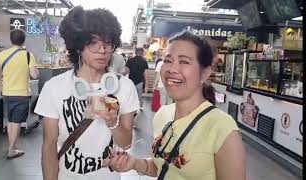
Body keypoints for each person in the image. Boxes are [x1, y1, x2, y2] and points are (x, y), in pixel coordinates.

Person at [104, 31, 246, 180]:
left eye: (184, 62)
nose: (172, 69)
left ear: (204, 74)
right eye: (168, 60)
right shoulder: (163, 114)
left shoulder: (223, 129)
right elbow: (162, 167)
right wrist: (133, 162)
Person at [34, 6, 140, 180]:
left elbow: (126, 143)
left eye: (108, 43)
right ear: (78, 46)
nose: (103, 50)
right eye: (93, 43)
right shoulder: (54, 87)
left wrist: (112, 122)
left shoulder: (124, 87)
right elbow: (49, 146)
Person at [0, 29, 39, 159]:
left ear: (11, 40)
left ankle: (11, 147)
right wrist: (36, 72)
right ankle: (11, 149)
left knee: (10, 121)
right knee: (17, 122)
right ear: (23, 40)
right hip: (22, 94)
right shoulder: (28, 55)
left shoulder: (2, 54)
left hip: (7, 94)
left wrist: (2, 87)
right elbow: (34, 75)